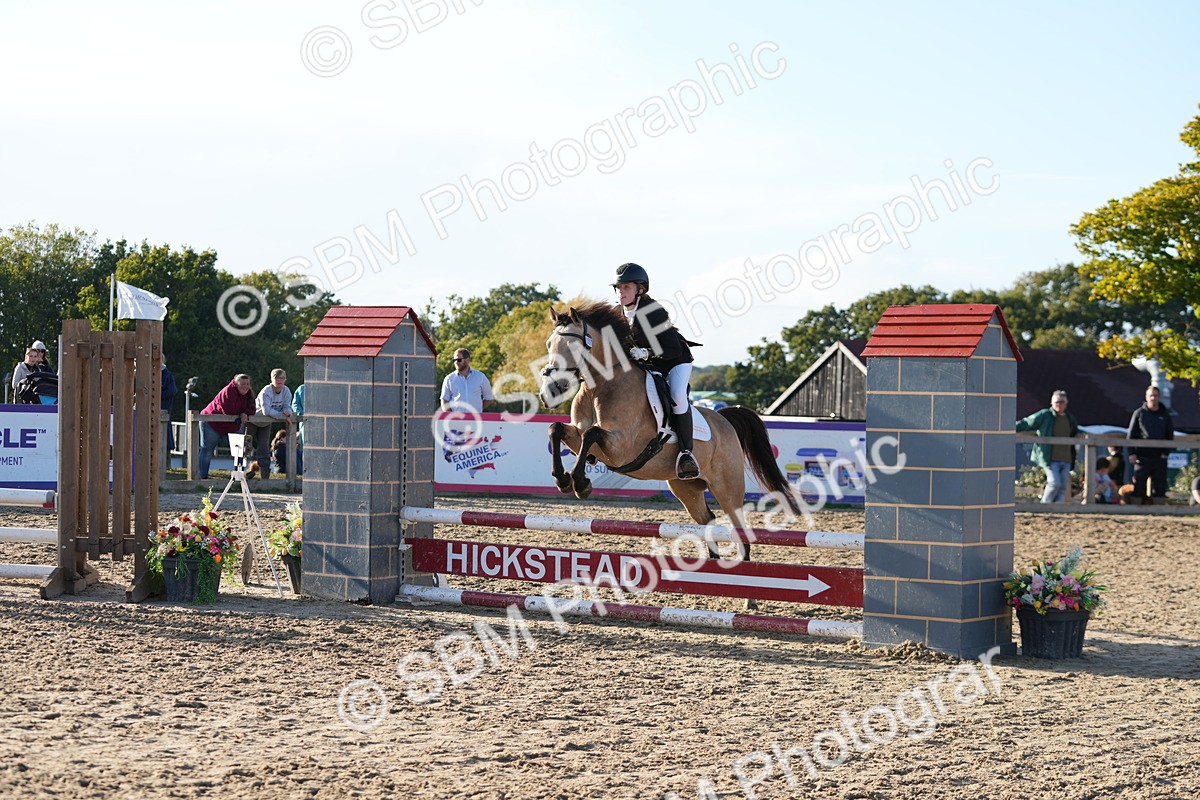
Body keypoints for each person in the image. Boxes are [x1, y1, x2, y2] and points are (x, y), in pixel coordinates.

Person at [612, 262, 703, 480]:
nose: (621, 292)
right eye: (618, 287)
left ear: (640, 290)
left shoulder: (654, 312)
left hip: (674, 361)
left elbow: (671, 348)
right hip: (648, 366)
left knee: (678, 395)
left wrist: (647, 352)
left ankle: (686, 453)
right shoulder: (615, 314)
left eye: (626, 287)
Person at [1016, 389, 1079, 503]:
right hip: (1049, 456)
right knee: (1054, 483)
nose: (1059, 405)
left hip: (1066, 457)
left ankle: (1057, 509)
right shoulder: (1045, 415)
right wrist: (1011, 427)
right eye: (1056, 402)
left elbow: (1075, 431)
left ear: (1066, 404)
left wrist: (1079, 435)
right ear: (1052, 403)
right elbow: (1028, 422)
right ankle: (1044, 506)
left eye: (1061, 402)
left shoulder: (1069, 418)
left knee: (1063, 487)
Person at [198, 374, 256, 479]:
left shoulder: (249, 394)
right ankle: (202, 477)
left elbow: (252, 409)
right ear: (236, 383)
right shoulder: (228, 391)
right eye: (242, 384)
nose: (245, 386)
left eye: (247, 384)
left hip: (231, 426)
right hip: (211, 423)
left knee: (240, 450)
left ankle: (240, 477)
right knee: (207, 450)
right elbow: (228, 410)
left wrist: (245, 412)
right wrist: (241, 413)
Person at [1128, 385, 1174, 504]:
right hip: (1142, 456)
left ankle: (1159, 509)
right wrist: (1131, 453)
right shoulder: (1139, 413)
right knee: (1139, 485)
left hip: (1159, 457)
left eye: (1155, 395)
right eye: (1151, 395)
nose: (1153, 398)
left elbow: (1170, 435)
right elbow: (1131, 434)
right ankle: (1135, 509)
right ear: (1146, 397)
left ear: (1159, 397)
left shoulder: (1165, 414)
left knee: (1159, 487)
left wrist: (1166, 452)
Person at [248, 369, 293, 478]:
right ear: (272, 379)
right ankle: (243, 473)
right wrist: (283, 416)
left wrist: (288, 413)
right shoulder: (266, 391)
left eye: (282, 378)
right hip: (252, 421)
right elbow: (266, 411)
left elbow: (287, 406)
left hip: (266, 423)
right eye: (277, 378)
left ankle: (265, 478)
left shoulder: (286, 391)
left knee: (264, 449)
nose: (279, 380)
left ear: (285, 379)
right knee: (245, 447)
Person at [440, 349, 494, 413]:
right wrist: (451, 417)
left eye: (459, 360)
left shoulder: (480, 377)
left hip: (476, 420)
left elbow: (489, 398)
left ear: (467, 360)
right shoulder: (449, 379)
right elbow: (444, 401)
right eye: (454, 360)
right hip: (456, 420)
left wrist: (477, 408)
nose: (456, 362)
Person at [161, 359, 178, 451]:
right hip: (163, 408)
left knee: (165, 432)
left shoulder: (166, 374)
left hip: (163, 409)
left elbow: (172, 390)